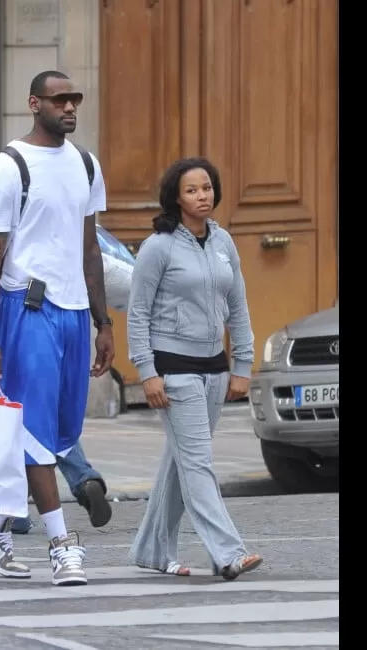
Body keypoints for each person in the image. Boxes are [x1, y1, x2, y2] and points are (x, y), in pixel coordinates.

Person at [0, 70, 114, 587]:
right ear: (34, 104)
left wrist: (103, 322)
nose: (69, 107)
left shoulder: (86, 163)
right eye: (59, 99)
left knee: (62, 432)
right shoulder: (8, 168)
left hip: (72, 315)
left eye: (75, 99)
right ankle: (61, 545)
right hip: (27, 309)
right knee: (35, 435)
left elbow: (90, 249)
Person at [126, 157, 263, 580]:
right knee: (198, 461)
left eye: (206, 188)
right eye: (192, 190)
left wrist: (242, 363)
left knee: (180, 461)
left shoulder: (224, 243)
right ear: (176, 197)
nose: (202, 196)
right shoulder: (158, 247)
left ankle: (150, 550)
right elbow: (137, 314)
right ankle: (227, 552)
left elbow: (237, 307)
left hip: (215, 370)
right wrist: (147, 373)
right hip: (174, 371)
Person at [0, 317, 112, 532]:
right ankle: (83, 478)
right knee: (46, 428)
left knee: (18, 438)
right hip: (45, 352)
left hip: (6, 364)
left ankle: (18, 515)